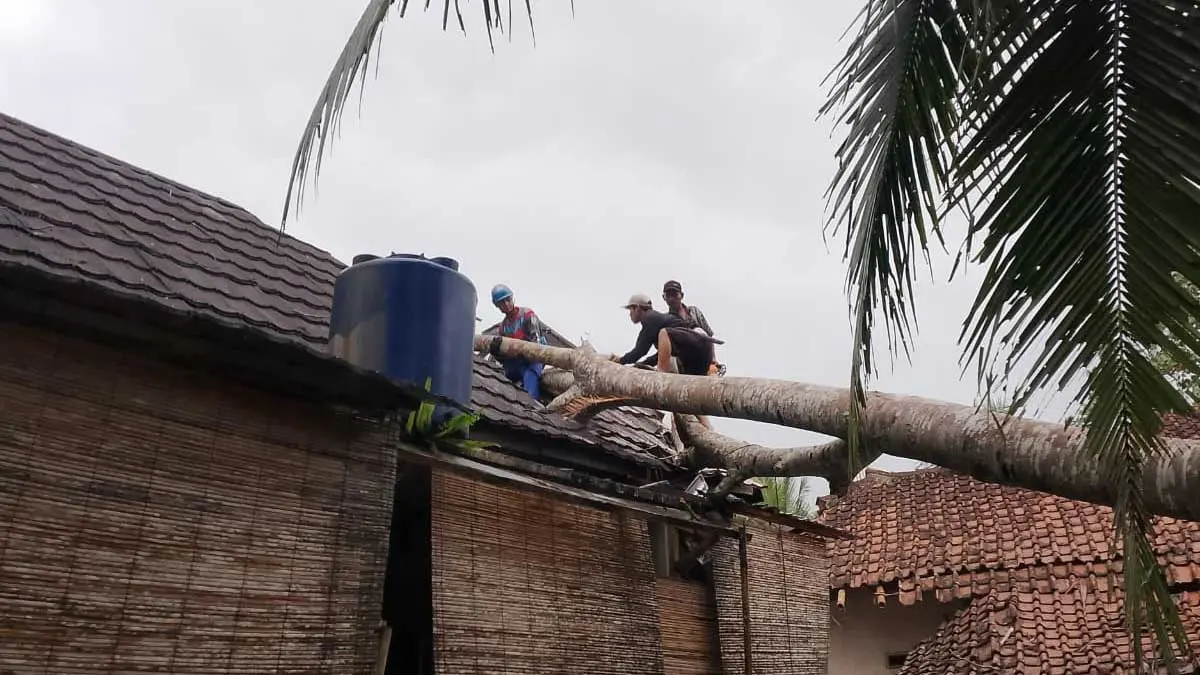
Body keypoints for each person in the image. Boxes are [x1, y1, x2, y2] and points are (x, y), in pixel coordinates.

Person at [610, 293, 717, 428]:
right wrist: (640, 366)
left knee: (664, 333)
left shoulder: (650, 318)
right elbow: (659, 354)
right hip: (699, 353)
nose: (630, 314)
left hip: (698, 345)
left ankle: (661, 375)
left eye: (631, 309)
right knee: (689, 397)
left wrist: (620, 361)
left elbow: (639, 351)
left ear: (638, 308)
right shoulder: (659, 321)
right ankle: (707, 429)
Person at [489, 284, 546, 399]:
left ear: (512, 298)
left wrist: (520, 351)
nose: (506, 304)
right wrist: (496, 352)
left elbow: (537, 343)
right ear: (497, 306)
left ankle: (532, 408)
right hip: (515, 362)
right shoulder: (503, 327)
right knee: (502, 382)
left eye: (508, 300)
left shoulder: (527, 315)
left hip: (534, 358)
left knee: (530, 377)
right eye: (501, 303)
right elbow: (503, 358)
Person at [661, 279, 725, 376]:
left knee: (699, 332)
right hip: (683, 363)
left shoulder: (694, 312)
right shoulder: (666, 321)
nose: (671, 298)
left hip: (703, 357)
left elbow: (709, 336)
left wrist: (713, 362)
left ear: (681, 295)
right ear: (664, 297)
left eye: (674, 294)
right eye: (668, 295)